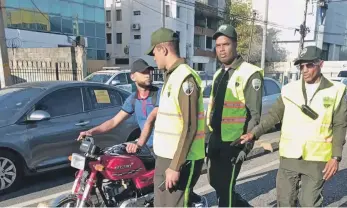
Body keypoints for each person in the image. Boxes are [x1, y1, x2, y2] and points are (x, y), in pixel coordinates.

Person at [240, 46, 347, 207]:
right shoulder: (289, 89)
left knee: (309, 203)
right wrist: (253, 133)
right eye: (301, 66)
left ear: (321, 64)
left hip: (317, 160)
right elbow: (273, 116)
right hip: (289, 157)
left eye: (309, 65)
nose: (304, 70)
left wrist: (336, 157)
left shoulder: (336, 90)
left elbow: (340, 125)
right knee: (284, 202)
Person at [145, 27, 207, 207]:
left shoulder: (185, 78)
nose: (154, 57)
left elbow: (190, 126)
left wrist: (175, 165)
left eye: (154, 52)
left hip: (182, 159)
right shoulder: (170, 77)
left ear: (163, 49)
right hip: (166, 156)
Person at [205, 24, 264, 207]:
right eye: (218, 45)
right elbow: (214, 110)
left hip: (234, 143)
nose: (221, 50)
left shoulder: (249, 73)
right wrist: (207, 139)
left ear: (235, 44)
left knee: (225, 190)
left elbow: (255, 115)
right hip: (215, 140)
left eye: (226, 44)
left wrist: (245, 147)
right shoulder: (218, 74)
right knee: (215, 183)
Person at [78, 58, 160, 149]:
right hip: (147, 147)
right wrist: (91, 132)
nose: (148, 75)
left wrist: (139, 143)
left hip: (163, 148)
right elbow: (113, 121)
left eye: (149, 72)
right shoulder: (133, 99)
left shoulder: (160, 94)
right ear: (132, 77)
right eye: (143, 72)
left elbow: (150, 120)